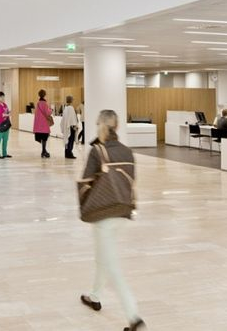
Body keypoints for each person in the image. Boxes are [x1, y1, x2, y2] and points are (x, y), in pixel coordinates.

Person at [80, 109, 144, 331]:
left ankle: (135, 319)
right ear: (117, 126)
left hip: (103, 214)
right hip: (123, 212)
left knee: (112, 266)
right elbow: (132, 181)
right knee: (103, 256)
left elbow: (85, 181)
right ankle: (95, 295)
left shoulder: (97, 151)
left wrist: (85, 204)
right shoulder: (127, 151)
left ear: (100, 125)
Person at [33, 89, 53, 158]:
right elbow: (47, 113)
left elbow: (36, 113)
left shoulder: (38, 103)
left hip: (39, 124)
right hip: (44, 124)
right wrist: (51, 110)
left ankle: (44, 151)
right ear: (44, 95)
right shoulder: (45, 103)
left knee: (42, 138)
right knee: (45, 138)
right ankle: (43, 151)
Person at [0, 91, 11, 159]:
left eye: (3, 97)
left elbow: (6, 112)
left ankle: (4, 153)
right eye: (1, 97)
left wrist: (9, 112)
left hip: (6, 124)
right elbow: (0, 115)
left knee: (5, 139)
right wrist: (8, 114)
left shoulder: (5, 105)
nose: (3, 98)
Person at [61, 95, 78, 159]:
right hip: (71, 127)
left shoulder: (66, 108)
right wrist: (74, 126)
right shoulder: (71, 108)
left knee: (67, 140)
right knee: (71, 140)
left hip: (67, 127)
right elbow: (72, 119)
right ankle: (69, 153)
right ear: (71, 100)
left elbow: (65, 119)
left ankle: (67, 153)